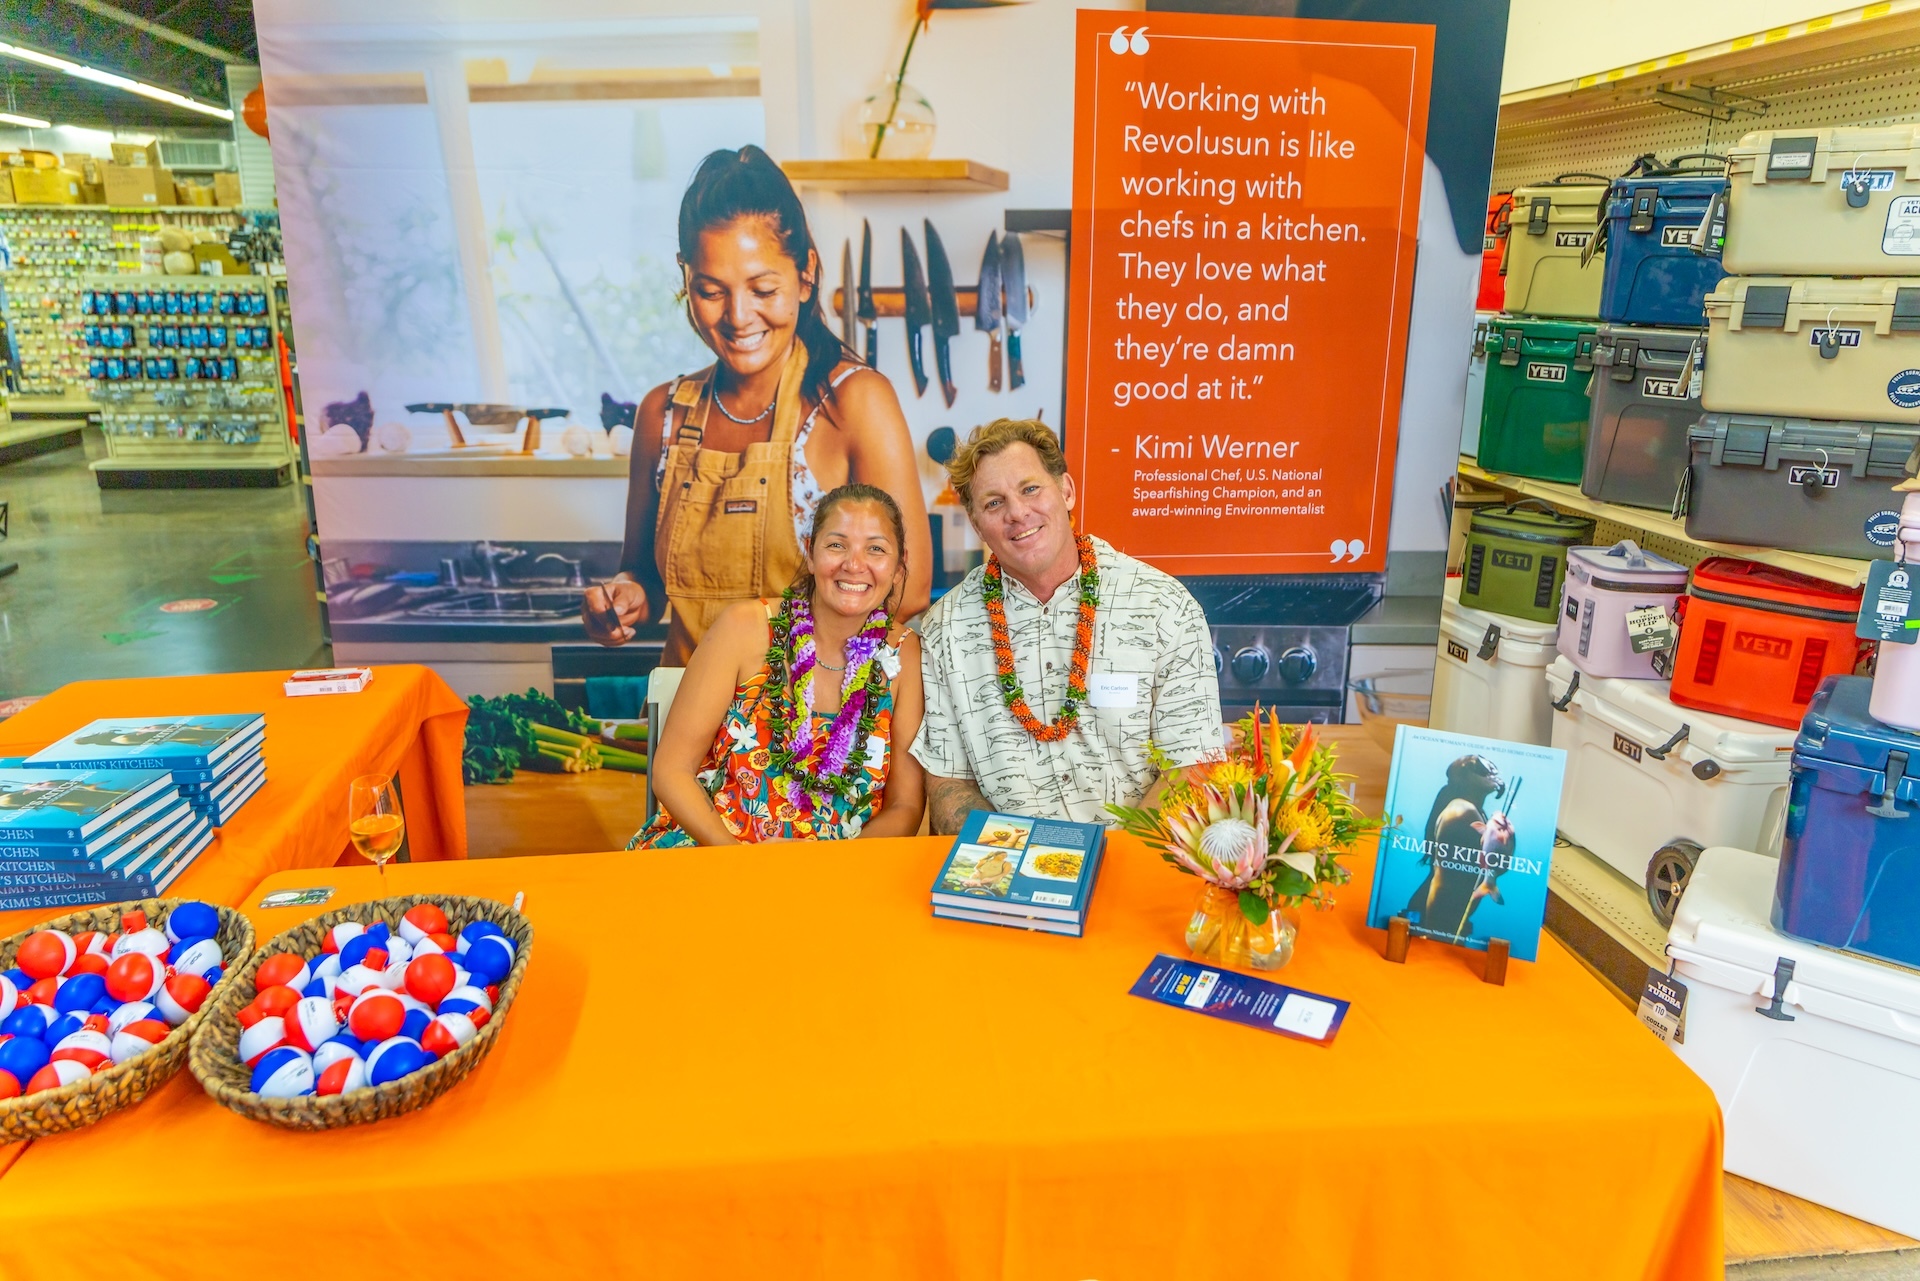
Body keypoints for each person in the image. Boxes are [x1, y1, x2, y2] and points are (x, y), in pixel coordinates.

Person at [582, 145, 932, 665]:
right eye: (711, 291)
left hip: (805, 711)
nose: (739, 316)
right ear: (685, 278)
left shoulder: (854, 403)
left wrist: (756, 636)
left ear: (805, 274)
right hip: (683, 708)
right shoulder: (662, 414)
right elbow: (646, 580)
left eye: (763, 289)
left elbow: (910, 587)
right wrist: (625, 598)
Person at [912, 419, 1223, 832]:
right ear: (976, 524)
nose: (1017, 513)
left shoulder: (1163, 606)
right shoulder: (946, 628)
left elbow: (1192, 769)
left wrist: (1114, 858)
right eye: (994, 503)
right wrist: (1015, 858)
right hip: (1005, 863)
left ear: (1067, 491)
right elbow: (949, 783)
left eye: (1030, 489)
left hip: (1135, 856)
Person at [633, 484, 925, 846]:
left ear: (898, 567)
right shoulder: (745, 627)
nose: (854, 565)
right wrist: (745, 864)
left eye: (876, 549)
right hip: (716, 852)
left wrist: (829, 867)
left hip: (838, 870)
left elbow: (905, 806)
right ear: (811, 552)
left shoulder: (903, 653)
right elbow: (671, 771)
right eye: (837, 545)